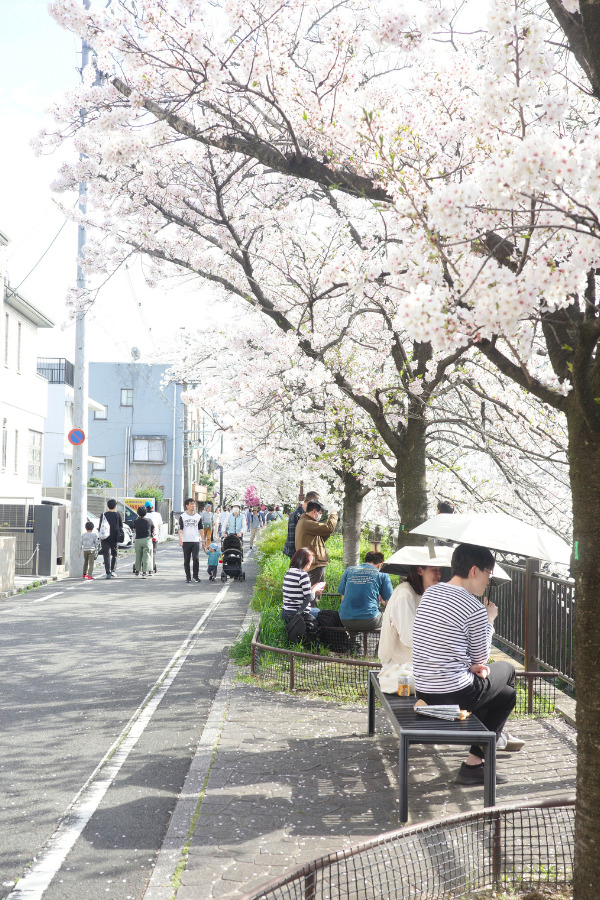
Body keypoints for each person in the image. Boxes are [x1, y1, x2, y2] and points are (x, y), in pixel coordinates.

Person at [412, 542, 524, 788]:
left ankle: (474, 764)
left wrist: (470, 665)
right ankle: (475, 763)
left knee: (505, 695)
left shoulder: (431, 592)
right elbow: (480, 658)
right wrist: (489, 620)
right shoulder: (474, 608)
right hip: (453, 692)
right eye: (488, 574)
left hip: (424, 688)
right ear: (474, 571)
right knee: (507, 671)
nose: (488, 580)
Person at [378, 558, 444, 668]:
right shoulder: (405, 594)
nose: (439, 575)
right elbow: (409, 637)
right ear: (420, 571)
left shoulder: (421, 594)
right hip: (399, 668)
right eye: (434, 570)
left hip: (417, 664)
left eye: (440, 570)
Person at [337, 551, 393, 637]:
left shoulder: (349, 570)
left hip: (345, 619)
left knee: (355, 624)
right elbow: (390, 604)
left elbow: (343, 597)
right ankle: (378, 648)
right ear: (380, 565)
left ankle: (355, 646)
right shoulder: (382, 574)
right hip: (370, 620)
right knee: (388, 617)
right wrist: (382, 602)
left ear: (365, 561)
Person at [294, 500, 338, 586]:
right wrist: (333, 516)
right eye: (320, 513)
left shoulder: (304, 522)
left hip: (311, 562)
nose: (320, 516)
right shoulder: (307, 523)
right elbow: (329, 528)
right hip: (314, 564)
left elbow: (320, 539)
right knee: (315, 591)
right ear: (314, 511)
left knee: (312, 591)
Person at [281, 548, 320, 621]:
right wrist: (314, 589)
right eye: (310, 562)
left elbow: (297, 592)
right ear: (306, 562)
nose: (310, 565)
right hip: (297, 614)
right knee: (320, 613)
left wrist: (312, 589)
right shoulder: (303, 575)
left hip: (286, 612)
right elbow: (309, 598)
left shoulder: (288, 572)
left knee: (316, 610)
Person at [283, 490, 320, 558]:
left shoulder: (311, 513)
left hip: (307, 551)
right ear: (311, 501)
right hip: (296, 554)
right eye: (317, 502)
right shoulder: (296, 515)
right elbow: (292, 538)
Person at [179, 498, 203, 583]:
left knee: (196, 559)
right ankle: (188, 577)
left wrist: (203, 540)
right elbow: (180, 528)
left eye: (194, 504)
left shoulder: (198, 517)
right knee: (187, 560)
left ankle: (195, 576)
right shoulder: (182, 516)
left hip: (195, 540)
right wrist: (180, 538)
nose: (193, 506)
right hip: (186, 541)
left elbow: (201, 529)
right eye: (191, 504)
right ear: (187, 506)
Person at [99, 499, 123, 579]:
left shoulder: (103, 515)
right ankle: (113, 571)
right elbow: (121, 526)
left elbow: (100, 526)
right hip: (114, 537)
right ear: (115, 506)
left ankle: (108, 572)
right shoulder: (117, 515)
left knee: (106, 554)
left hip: (105, 537)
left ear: (107, 506)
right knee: (115, 554)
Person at [132, 505, 155, 578]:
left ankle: (137, 570)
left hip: (138, 539)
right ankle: (144, 572)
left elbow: (134, 529)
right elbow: (153, 529)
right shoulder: (149, 520)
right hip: (147, 540)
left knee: (138, 555)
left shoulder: (136, 521)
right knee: (146, 556)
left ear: (138, 513)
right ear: (146, 513)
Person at [144, 500, 163, 573]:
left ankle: (144, 566)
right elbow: (159, 525)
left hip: (145, 537)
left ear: (145, 507)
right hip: (154, 536)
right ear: (152, 507)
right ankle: (151, 567)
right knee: (153, 552)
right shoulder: (157, 514)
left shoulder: (143, 515)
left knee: (145, 552)